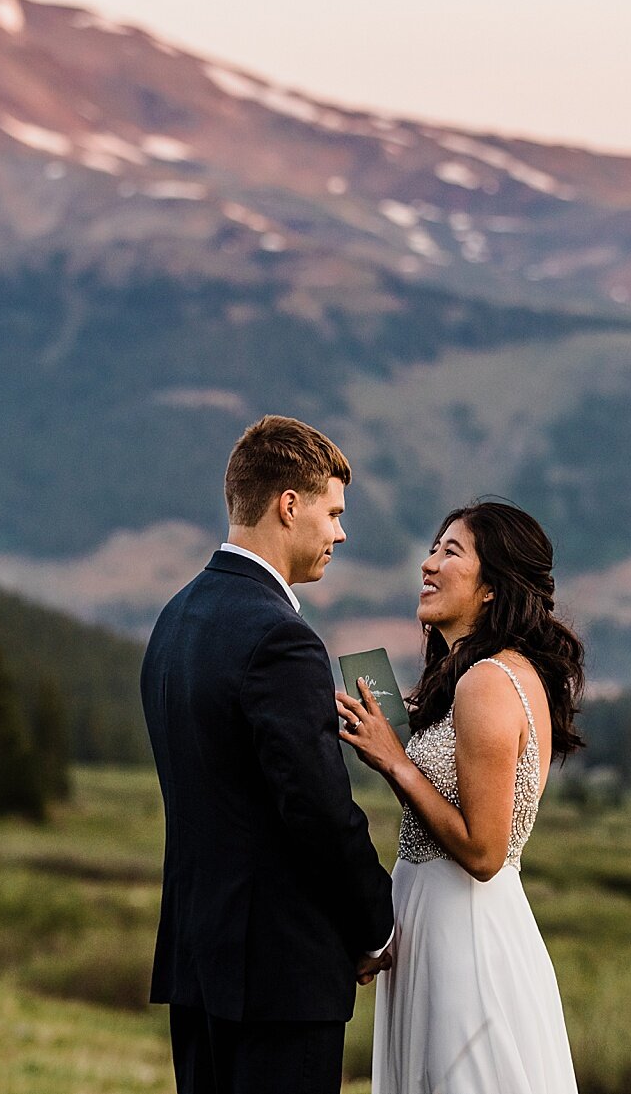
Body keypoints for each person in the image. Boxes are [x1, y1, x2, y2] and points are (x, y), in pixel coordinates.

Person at [142, 414, 395, 1094]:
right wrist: (376, 922)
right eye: (333, 512)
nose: (340, 532)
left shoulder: (174, 620)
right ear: (290, 505)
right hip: (278, 977)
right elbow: (316, 807)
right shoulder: (280, 638)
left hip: (200, 960)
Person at [337, 500, 584, 1094]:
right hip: (435, 923)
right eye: (432, 548)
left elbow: (483, 852)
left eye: (451, 552)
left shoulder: (488, 682)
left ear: (493, 587)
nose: (428, 565)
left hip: (462, 936)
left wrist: (396, 762)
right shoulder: (476, 676)